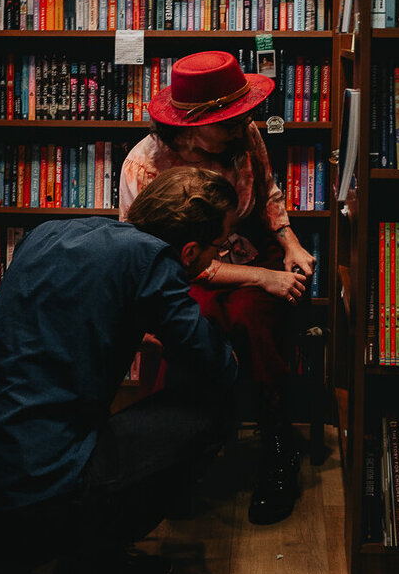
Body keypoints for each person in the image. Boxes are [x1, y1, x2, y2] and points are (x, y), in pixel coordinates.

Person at [0, 167, 239, 574]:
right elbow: (215, 364)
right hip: (27, 506)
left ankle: (8, 555)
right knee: (213, 408)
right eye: (219, 248)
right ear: (189, 250)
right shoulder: (153, 262)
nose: (217, 258)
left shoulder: (49, 232)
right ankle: (93, 569)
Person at [119, 49, 314, 525]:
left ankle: (277, 447)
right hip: (181, 272)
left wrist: (288, 241)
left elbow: (267, 191)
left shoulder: (244, 137)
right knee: (192, 330)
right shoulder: (143, 169)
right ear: (191, 125)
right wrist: (263, 277)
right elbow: (156, 263)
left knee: (256, 319)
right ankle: (177, 455)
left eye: (244, 116)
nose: (244, 126)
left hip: (248, 245)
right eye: (229, 122)